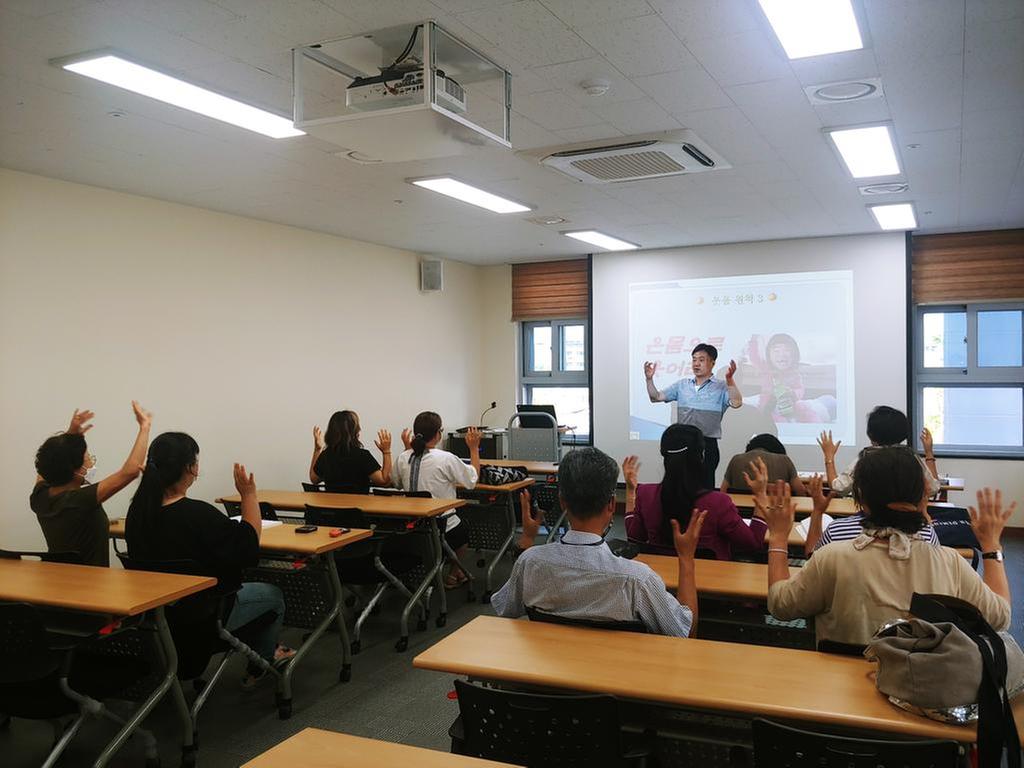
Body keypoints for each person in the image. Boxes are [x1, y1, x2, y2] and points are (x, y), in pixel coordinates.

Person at [762, 447, 1012, 646]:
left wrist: (778, 538)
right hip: (921, 693)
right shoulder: (950, 562)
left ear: (860, 500)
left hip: (838, 692)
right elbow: (1000, 617)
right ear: (923, 497)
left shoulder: (831, 557)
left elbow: (780, 606)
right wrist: (991, 547)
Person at [125, 432, 293, 687]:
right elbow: (248, 548)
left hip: (159, 616)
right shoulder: (198, 514)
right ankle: (263, 662)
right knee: (273, 594)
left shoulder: (137, 513)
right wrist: (248, 494)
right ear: (190, 468)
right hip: (207, 614)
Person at [492, 447, 706, 637]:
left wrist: (527, 540)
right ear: (612, 504)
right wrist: (686, 558)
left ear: (562, 502)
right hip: (616, 679)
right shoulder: (638, 580)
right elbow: (683, 631)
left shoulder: (530, 562)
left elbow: (506, 608)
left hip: (546, 676)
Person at [31, 402, 152, 567]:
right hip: (92, 586)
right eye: (88, 459)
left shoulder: (40, 497)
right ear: (76, 470)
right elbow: (130, 472)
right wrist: (144, 427)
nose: (91, 463)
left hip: (58, 582)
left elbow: (51, 459)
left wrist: (71, 436)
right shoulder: (80, 500)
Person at [624, 424, 767, 560]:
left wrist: (631, 492)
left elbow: (634, 538)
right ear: (701, 457)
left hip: (659, 580)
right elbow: (752, 544)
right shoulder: (719, 503)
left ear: (664, 455)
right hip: (710, 580)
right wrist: (761, 495)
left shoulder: (645, 494)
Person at [394, 412, 479, 589]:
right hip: (439, 530)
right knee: (463, 525)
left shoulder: (403, 457)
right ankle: (455, 572)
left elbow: (395, 483)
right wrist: (473, 448)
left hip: (409, 530)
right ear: (438, 434)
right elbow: (472, 481)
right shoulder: (445, 458)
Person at [644, 343, 741, 488]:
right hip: (682, 443)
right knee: (678, 486)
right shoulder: (682, 385)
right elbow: (656, 397)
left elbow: (737, 402)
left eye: (701, 360)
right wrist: (649, 379)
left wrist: (730, 380)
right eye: (694, 360)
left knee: (705, 488)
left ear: (712, 363)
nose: (696, 364)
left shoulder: (721, 386)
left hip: (707, 444)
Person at [818, 406, 940, 498]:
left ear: (871, 435)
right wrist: (928, 452)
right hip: (906, 523)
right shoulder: (911, 458)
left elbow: (838, 487)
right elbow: (933, 488)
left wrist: (829, 457)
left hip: (870, 522)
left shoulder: (866, 458)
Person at [747, 333, 832, 423]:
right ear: (769, 355)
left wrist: (793, 393)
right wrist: (753, 341)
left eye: (787, 350)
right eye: (776, 351)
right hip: (769, 406)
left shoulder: (794, 374)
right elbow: (754, 357)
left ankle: (815, 427)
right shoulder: (765, 369)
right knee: (771, 417)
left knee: (804, 408)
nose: (782, 354)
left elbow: (800, 389)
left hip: (790, 404)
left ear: (794, 356)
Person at [309, 410, 391, 493]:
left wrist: (317, 450)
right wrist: (386, 452)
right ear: (355, 432)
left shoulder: (326, 455)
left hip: (332, 505)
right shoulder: (363, 456)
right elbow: (384, 481)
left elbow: (314, 479)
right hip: (358, 505)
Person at [720, 433, 808, 495]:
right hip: (775, 512)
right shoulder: (784, 460)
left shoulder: (736, 459)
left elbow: (723, 491)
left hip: (740, 513)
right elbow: (800, 492)